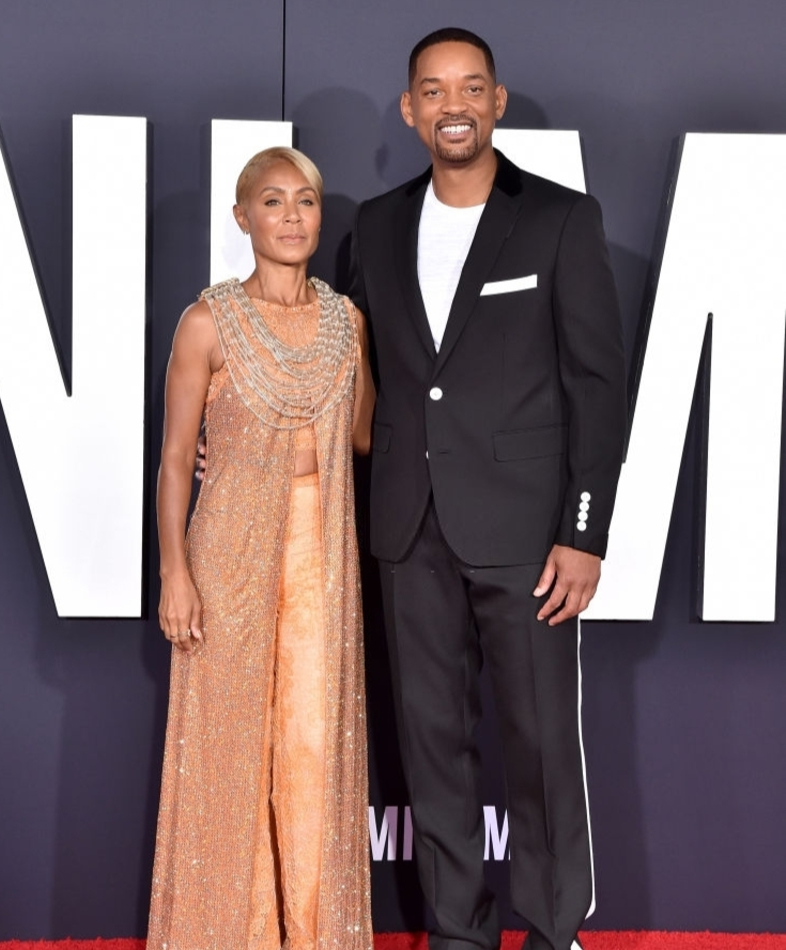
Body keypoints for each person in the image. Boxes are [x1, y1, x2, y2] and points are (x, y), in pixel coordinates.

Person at [348, 28, 627, 950]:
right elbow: (360, 379)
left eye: (471, 88)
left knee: (543, 749)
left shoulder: (558, 219)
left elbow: (596, 384)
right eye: (433, 90)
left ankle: (554, 932)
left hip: (529, 537)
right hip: (407, 530)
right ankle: (457, 936)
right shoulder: (377, 226)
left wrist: (584, 530)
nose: (453, 106)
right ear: (410, 109)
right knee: (433, 753)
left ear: (498, 102)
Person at [147, 147, 375, 950]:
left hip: (321, 556)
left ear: (320, 216)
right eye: (271, 201)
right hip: (228, 550)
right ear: (242, 217)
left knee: (312, 747)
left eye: (305, 201)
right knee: (226, 748)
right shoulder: (206, 321)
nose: (291, 216)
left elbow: (362, 435)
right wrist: (174, 568)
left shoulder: (347, 322)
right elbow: (177, 456)